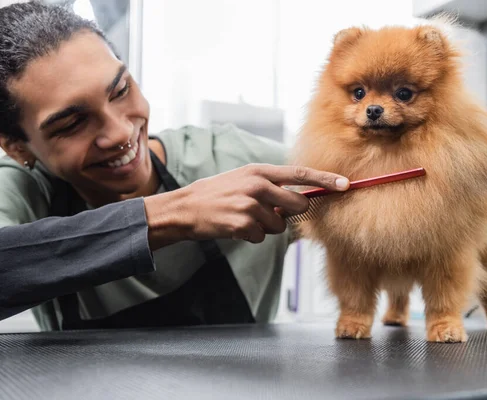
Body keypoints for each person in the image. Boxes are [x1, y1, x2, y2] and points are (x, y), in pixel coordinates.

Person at [0, 2, 349, 331]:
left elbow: (367, 190)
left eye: (121, 90)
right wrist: (173, 214)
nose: (121, 132)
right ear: (17, 147)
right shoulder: (23, 191)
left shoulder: (231, 159)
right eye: (73, 123)